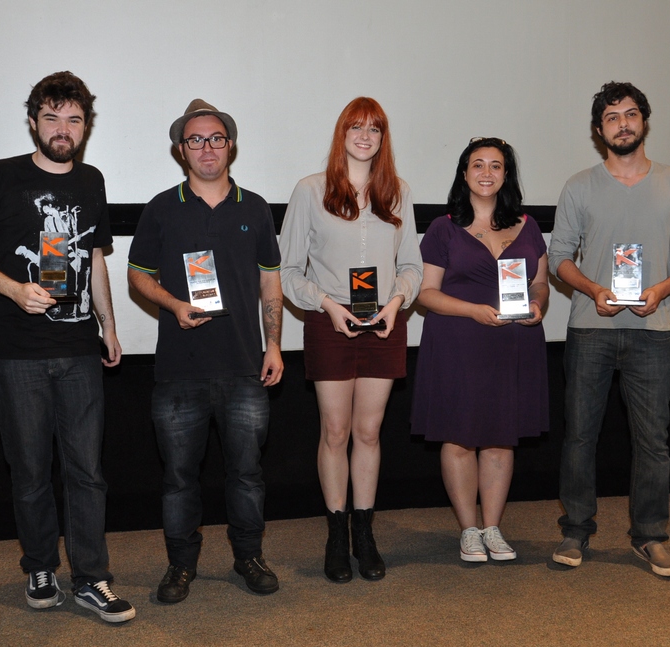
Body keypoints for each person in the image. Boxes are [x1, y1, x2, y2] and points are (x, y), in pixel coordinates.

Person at [0, 71, 134, 622]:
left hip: (79, 349)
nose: (62, 128)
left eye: (73, 119)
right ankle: (38, 565)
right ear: (33, 121)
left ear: (85, 127)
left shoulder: (93, 181)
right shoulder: (0, 177)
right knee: (29, 470)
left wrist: (110, 326)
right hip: (15, 353)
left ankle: (92, 578)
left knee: (87, 471)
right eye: (51, 117)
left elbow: (97, 258)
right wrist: (12, 288)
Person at [548, 82, 670, 577]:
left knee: (652, 441)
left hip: (652, 330)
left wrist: (660, 289)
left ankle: (650, 537)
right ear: (600, 131)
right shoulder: (579, 185)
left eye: (631, 114)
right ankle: (576, 530)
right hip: (589, 327)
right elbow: (559, 258)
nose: (623, 123)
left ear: (644, 121)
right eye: (613, 117)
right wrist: (594, 288)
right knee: (580, 436)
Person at [127, 99, 284, 602]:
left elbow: (271, 284)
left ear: (230, 145)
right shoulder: (160, 207)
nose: (207, 147)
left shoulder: (255, 207)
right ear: (181, 150)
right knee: (178, 479)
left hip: (244, 368)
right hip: (179, 372)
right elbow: (137, 275)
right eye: (195, 139)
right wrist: (173, 304)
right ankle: (180, 567)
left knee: (247, 474)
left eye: (216, 137)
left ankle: (249, 557)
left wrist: (276, 345)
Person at [279, 97, 422, 582]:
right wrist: (327, 304)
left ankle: (365, 532)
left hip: (384, 324)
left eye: (375, 129)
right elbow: (289, 272)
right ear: (342, 134)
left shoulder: (397, 192)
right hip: (329, 323)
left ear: (384, 139)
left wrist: (397, 302)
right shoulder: (310, 191)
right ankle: (336, 533)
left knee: (368, 433)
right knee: (335, 432)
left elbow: (412, 266)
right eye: (356, 127)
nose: (366, 136)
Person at [412, 138, 549, 563]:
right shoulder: (442, 227)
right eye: (478, 165)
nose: (486, 173)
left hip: (514, 342)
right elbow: (425, 294)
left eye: (496, 165)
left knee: (500, 439)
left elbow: (540, 282)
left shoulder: (528, 226)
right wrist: (472, 311)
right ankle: (468, 529)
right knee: (458, 438)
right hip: (458, 342)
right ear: (464, 173)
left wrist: (539, 304)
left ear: (506, 174)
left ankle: (492, 527)